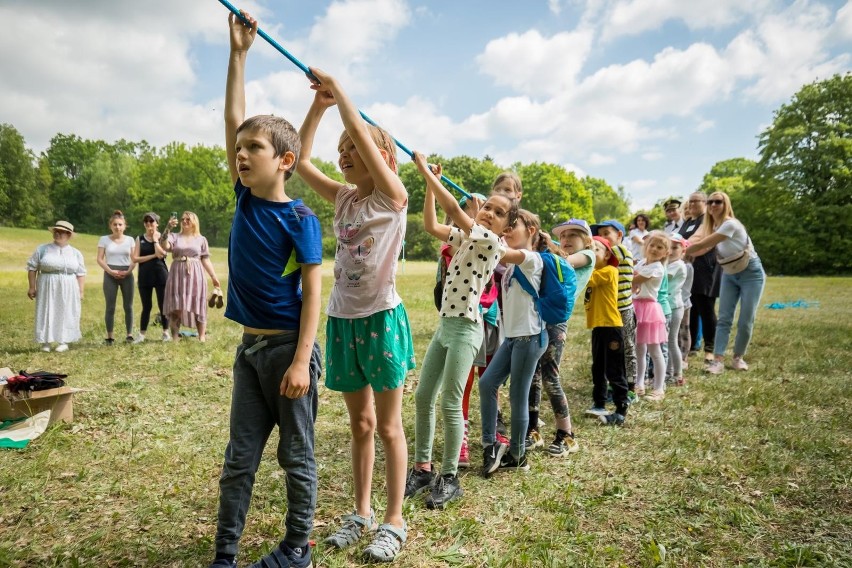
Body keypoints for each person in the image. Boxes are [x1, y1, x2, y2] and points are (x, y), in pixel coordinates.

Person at [208, 12, 324, 568]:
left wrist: (302, 361)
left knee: (296, 456)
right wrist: (239, 53)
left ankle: (297, 549)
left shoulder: (300, 217)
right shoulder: (245, 198)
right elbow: (236, 118)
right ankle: (225, 556)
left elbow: (315, 294)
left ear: (284, 161)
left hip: (286, 352)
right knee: (239, 460)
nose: (242, 152)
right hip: (248, 352)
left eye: (254, 147)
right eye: (240, 148)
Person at [297, 61, 415, 562]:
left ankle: (394, 519)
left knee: (388, 426)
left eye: (355, 148)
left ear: (381, 155)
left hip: (381, 321)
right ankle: (361, 511)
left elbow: (366, 142)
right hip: (343, 321)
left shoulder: (393, 199)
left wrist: (342, 91)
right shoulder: (344, 199)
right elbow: (300, 160)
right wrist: (318, 108)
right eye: (341, 150)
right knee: (360, 424)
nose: (344, 155)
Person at [404, 152, 516, 508]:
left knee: (452, 402)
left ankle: (450, 477)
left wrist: (425, 171)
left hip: (467, 330)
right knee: (423, 396)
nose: (489, 213)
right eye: (488, 207)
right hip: (444, 327)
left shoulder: (491, 242)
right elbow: (432, 226)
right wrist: (427, 185)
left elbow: (453, 208)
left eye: (499, 213)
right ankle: (423, 468)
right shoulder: (469, 238)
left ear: (506, 229)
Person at [479, 210, 551, 477]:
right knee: (487, 383)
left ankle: (518, 455)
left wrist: (481, 222)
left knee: (517, 396)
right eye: (505, 228)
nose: (506, 231)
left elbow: (495, 248)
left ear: (531, 230)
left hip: (530, 338)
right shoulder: (510, 264)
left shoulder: (530, 259)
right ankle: (491, 442)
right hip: (512, 338)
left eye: (513, 226)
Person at [524, 219, 595, 456]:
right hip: (541, 316)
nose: (566, 240)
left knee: (550, 377)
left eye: (573, 235)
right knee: (533, 374)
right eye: (563, 236)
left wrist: (550, 247)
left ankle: (567, 435)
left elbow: (563, 261)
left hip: (557, 322)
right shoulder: (557, 252)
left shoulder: (587, 256)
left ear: (586, 240)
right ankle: (532, 430)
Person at [687, 192, 765, 374]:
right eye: (710, 201)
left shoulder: (730, 224)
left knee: (746, 319)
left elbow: (702, 244)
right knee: (724, 318)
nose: (713, 204)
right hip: (729, 273)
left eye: (718, 201)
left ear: (725, 204)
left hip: (751, 273)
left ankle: (738, 358)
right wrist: (680, 255)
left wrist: (673, 248)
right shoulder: (712, 226)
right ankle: (718, 361)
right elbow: (703, 248)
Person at [583, 236, 629, 426]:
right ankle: (599, 403)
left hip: (611, 327)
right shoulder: (595, 271)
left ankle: (620, 409)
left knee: (614, 369)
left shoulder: (610, 271)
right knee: (598, 367)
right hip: (599, 327)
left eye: (595, 249)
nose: (590, 253)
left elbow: (586, 279)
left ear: (607, 254)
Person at [590, 220, 637, 400]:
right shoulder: (608, 256)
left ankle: (631, 387)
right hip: (609, 311)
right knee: (612, 351)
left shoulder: (621, 251)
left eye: (606, 233)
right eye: (599, 235)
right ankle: (615, 384)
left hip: (622, 309)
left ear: (619, 236)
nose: (601, 239)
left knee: (627, 347)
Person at [160, 211, 220, 342]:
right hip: (177, 273)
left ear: (194, 222)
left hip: (196, 273)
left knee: (198, 303)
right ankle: (175, 338)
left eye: (188, 219)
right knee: (176, 305)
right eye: (183, 219)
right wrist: (168, 227)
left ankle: (202, 337)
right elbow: (163, 244)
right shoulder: (174, 236)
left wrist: (213, 276)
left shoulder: (201, 239)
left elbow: (205, 259)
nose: (185, 221)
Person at [27, 221, 86, 353]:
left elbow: (81, 273)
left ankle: (63, 341)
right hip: (47, 285)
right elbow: (32, 268)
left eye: (62, 232)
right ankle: (46, 341)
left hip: (69, 286)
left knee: (66, 311)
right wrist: (32, 287)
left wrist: (81, 291)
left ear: (69, 235)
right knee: (47, 309)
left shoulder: (75, 253)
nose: (58, 233)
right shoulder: (42, 249)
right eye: (56, 231)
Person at [679, 192, 720, 364]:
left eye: (697, 201)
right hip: (688, 271)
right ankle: (693, 346)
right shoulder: (688, 222)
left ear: (705, 203)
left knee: (706, 309)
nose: (692, 204)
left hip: (705, 269)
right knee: (691, 308)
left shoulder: (708, 221)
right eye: (691, 201)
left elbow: (705, 243)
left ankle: (710, 348)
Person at [632, 231, 671, 401]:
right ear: (646, 246)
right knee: (639, 349)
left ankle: (658, 388)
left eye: (659, 247)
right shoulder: (641, 262)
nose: (654, 249)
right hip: (636, 307)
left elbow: (634, 280)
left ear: (665, 253)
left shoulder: (657, 268)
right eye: (652, 245)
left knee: (655, 350)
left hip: (649, 309)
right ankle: (639, 384)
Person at [97, 210, 136, 344]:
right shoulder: (104, 239)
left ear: (124, 226)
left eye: (120, 225)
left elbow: (134, 259)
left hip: (127, 274)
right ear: (110, 226)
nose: (117, 227)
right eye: (115, 224)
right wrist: (110, 271)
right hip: (110, 274)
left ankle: (129, 335)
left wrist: (129, 271)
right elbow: (100, 259)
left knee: (128, 306)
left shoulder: (130, 240)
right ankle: (110, 336)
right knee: (110, 306)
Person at [132, 212, 170, 342]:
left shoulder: (162, 238)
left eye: (151, 222)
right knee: (146, 306)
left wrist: (155, 240)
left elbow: (163, 254)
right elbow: (135, 258)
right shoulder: (140, 239)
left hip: (161, 275)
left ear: (157, 224)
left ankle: (165, 332)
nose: (149, 224)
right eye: (146, 222)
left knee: (163, 304)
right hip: (145, 276)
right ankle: (142, 334)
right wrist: (153, 256)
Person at [666, 234, 689, 386]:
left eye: (675, 247)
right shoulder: (668, 263)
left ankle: (677, 374)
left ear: (683, 251)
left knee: (671, 341)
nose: (672, 251)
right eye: (669, 247)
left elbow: (663, 278)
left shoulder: (678, 265)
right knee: (666, 341)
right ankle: (668, 373)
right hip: (667, 307)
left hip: (674, 307)